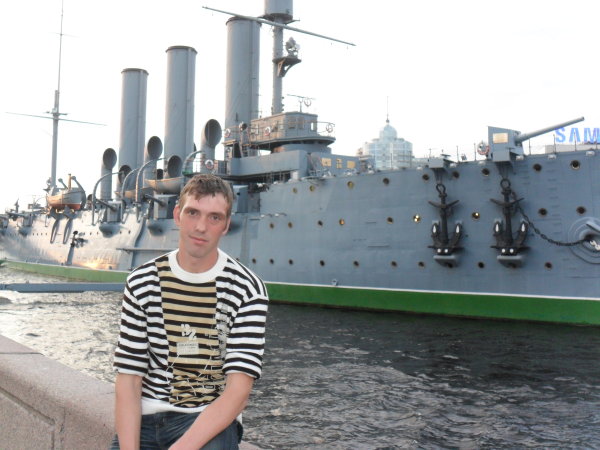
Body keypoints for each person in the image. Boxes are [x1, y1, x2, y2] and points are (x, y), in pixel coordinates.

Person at [111, 174, 269, 449]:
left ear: (226, 225)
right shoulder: (142, 282)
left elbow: (239, 390)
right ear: (177, 215)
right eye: (193, 212)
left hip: (205, 419)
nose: (201, 227)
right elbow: (129, 378)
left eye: (214, 217)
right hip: (146, 417)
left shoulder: (247, 289)